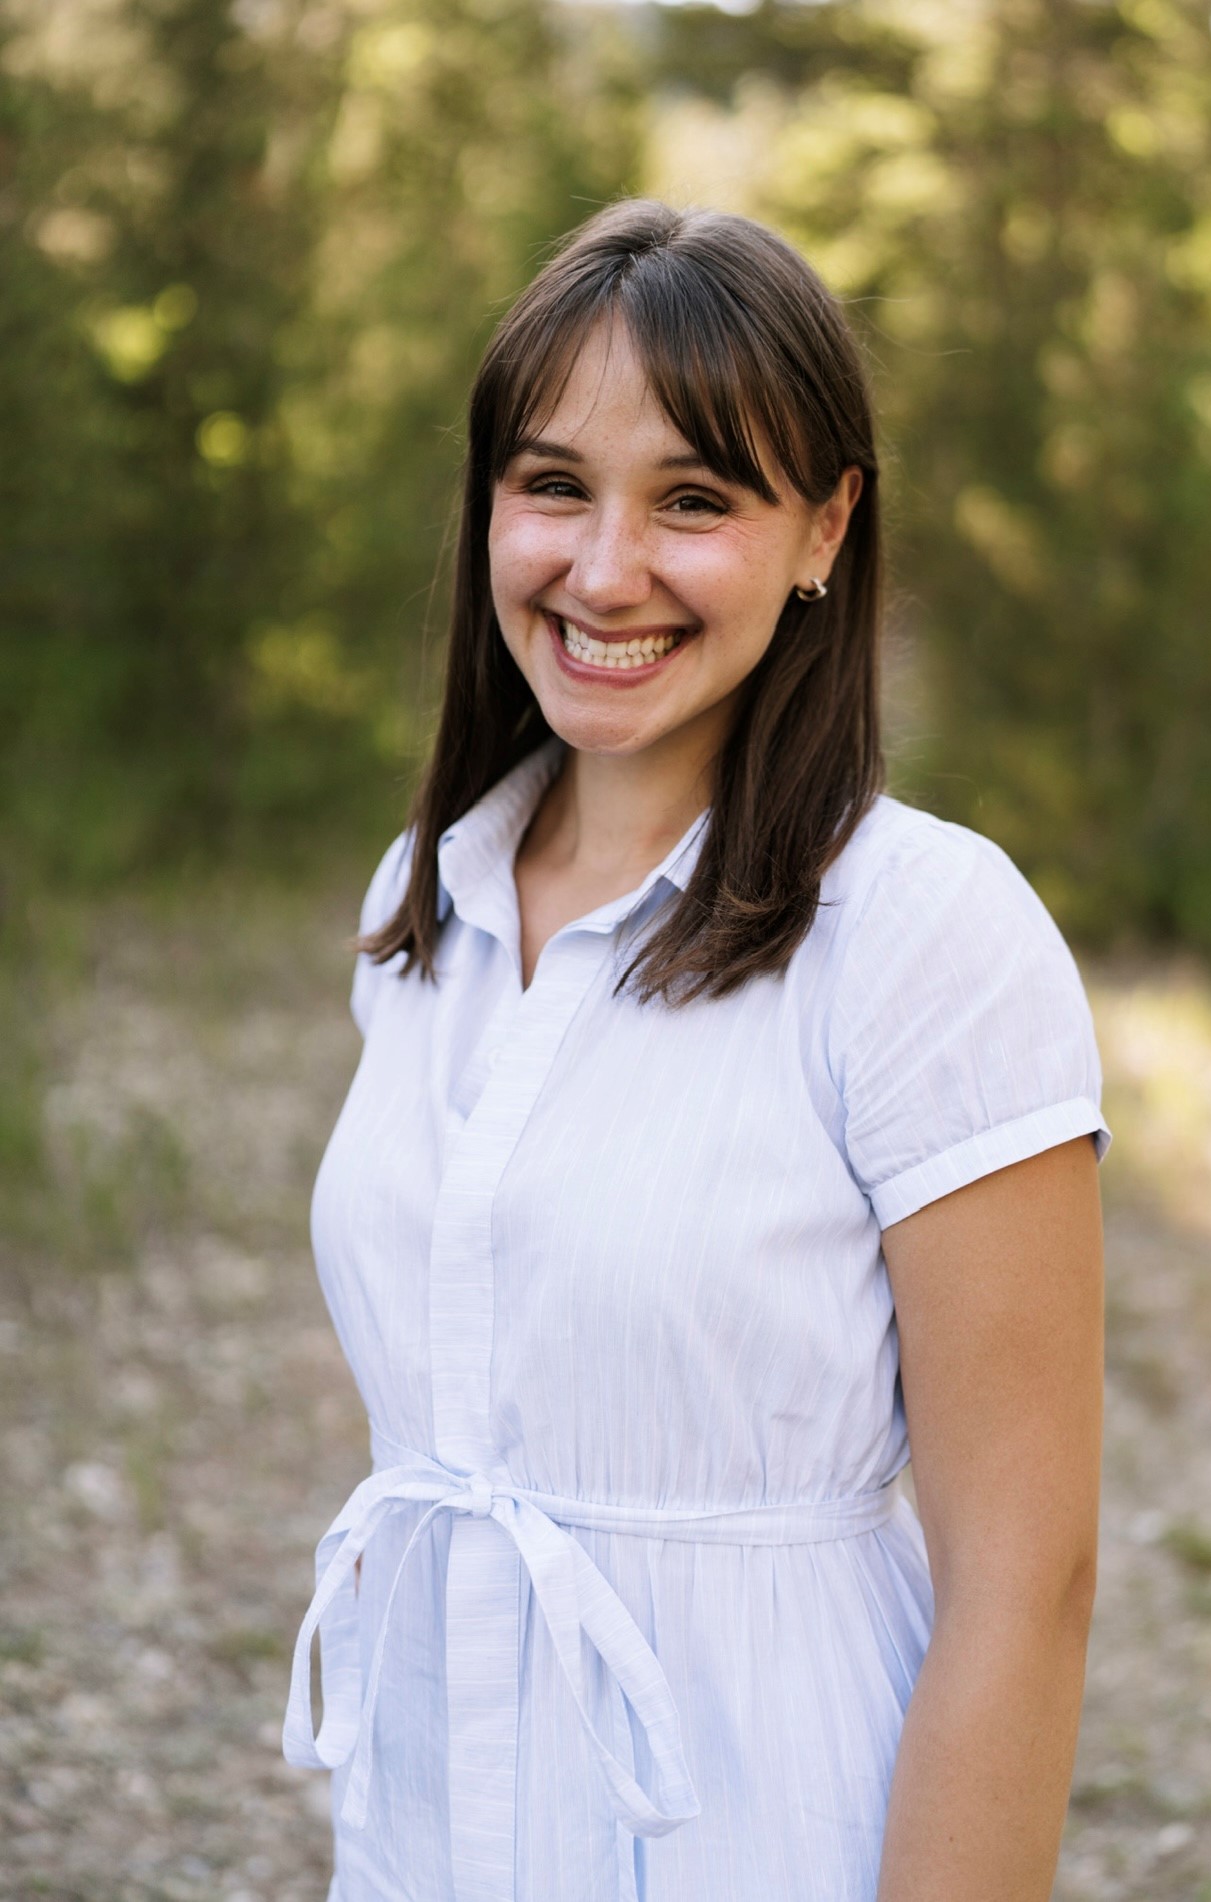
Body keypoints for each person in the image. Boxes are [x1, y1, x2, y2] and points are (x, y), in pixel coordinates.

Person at [283, 197, 1110, 1902]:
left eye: (693, 500)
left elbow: (1028, 1578)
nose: (604, 571)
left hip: (769, 1826)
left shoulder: (924, 933)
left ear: (823, 528)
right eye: (553, 486)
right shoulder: (422, 896)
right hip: (432, 1825)